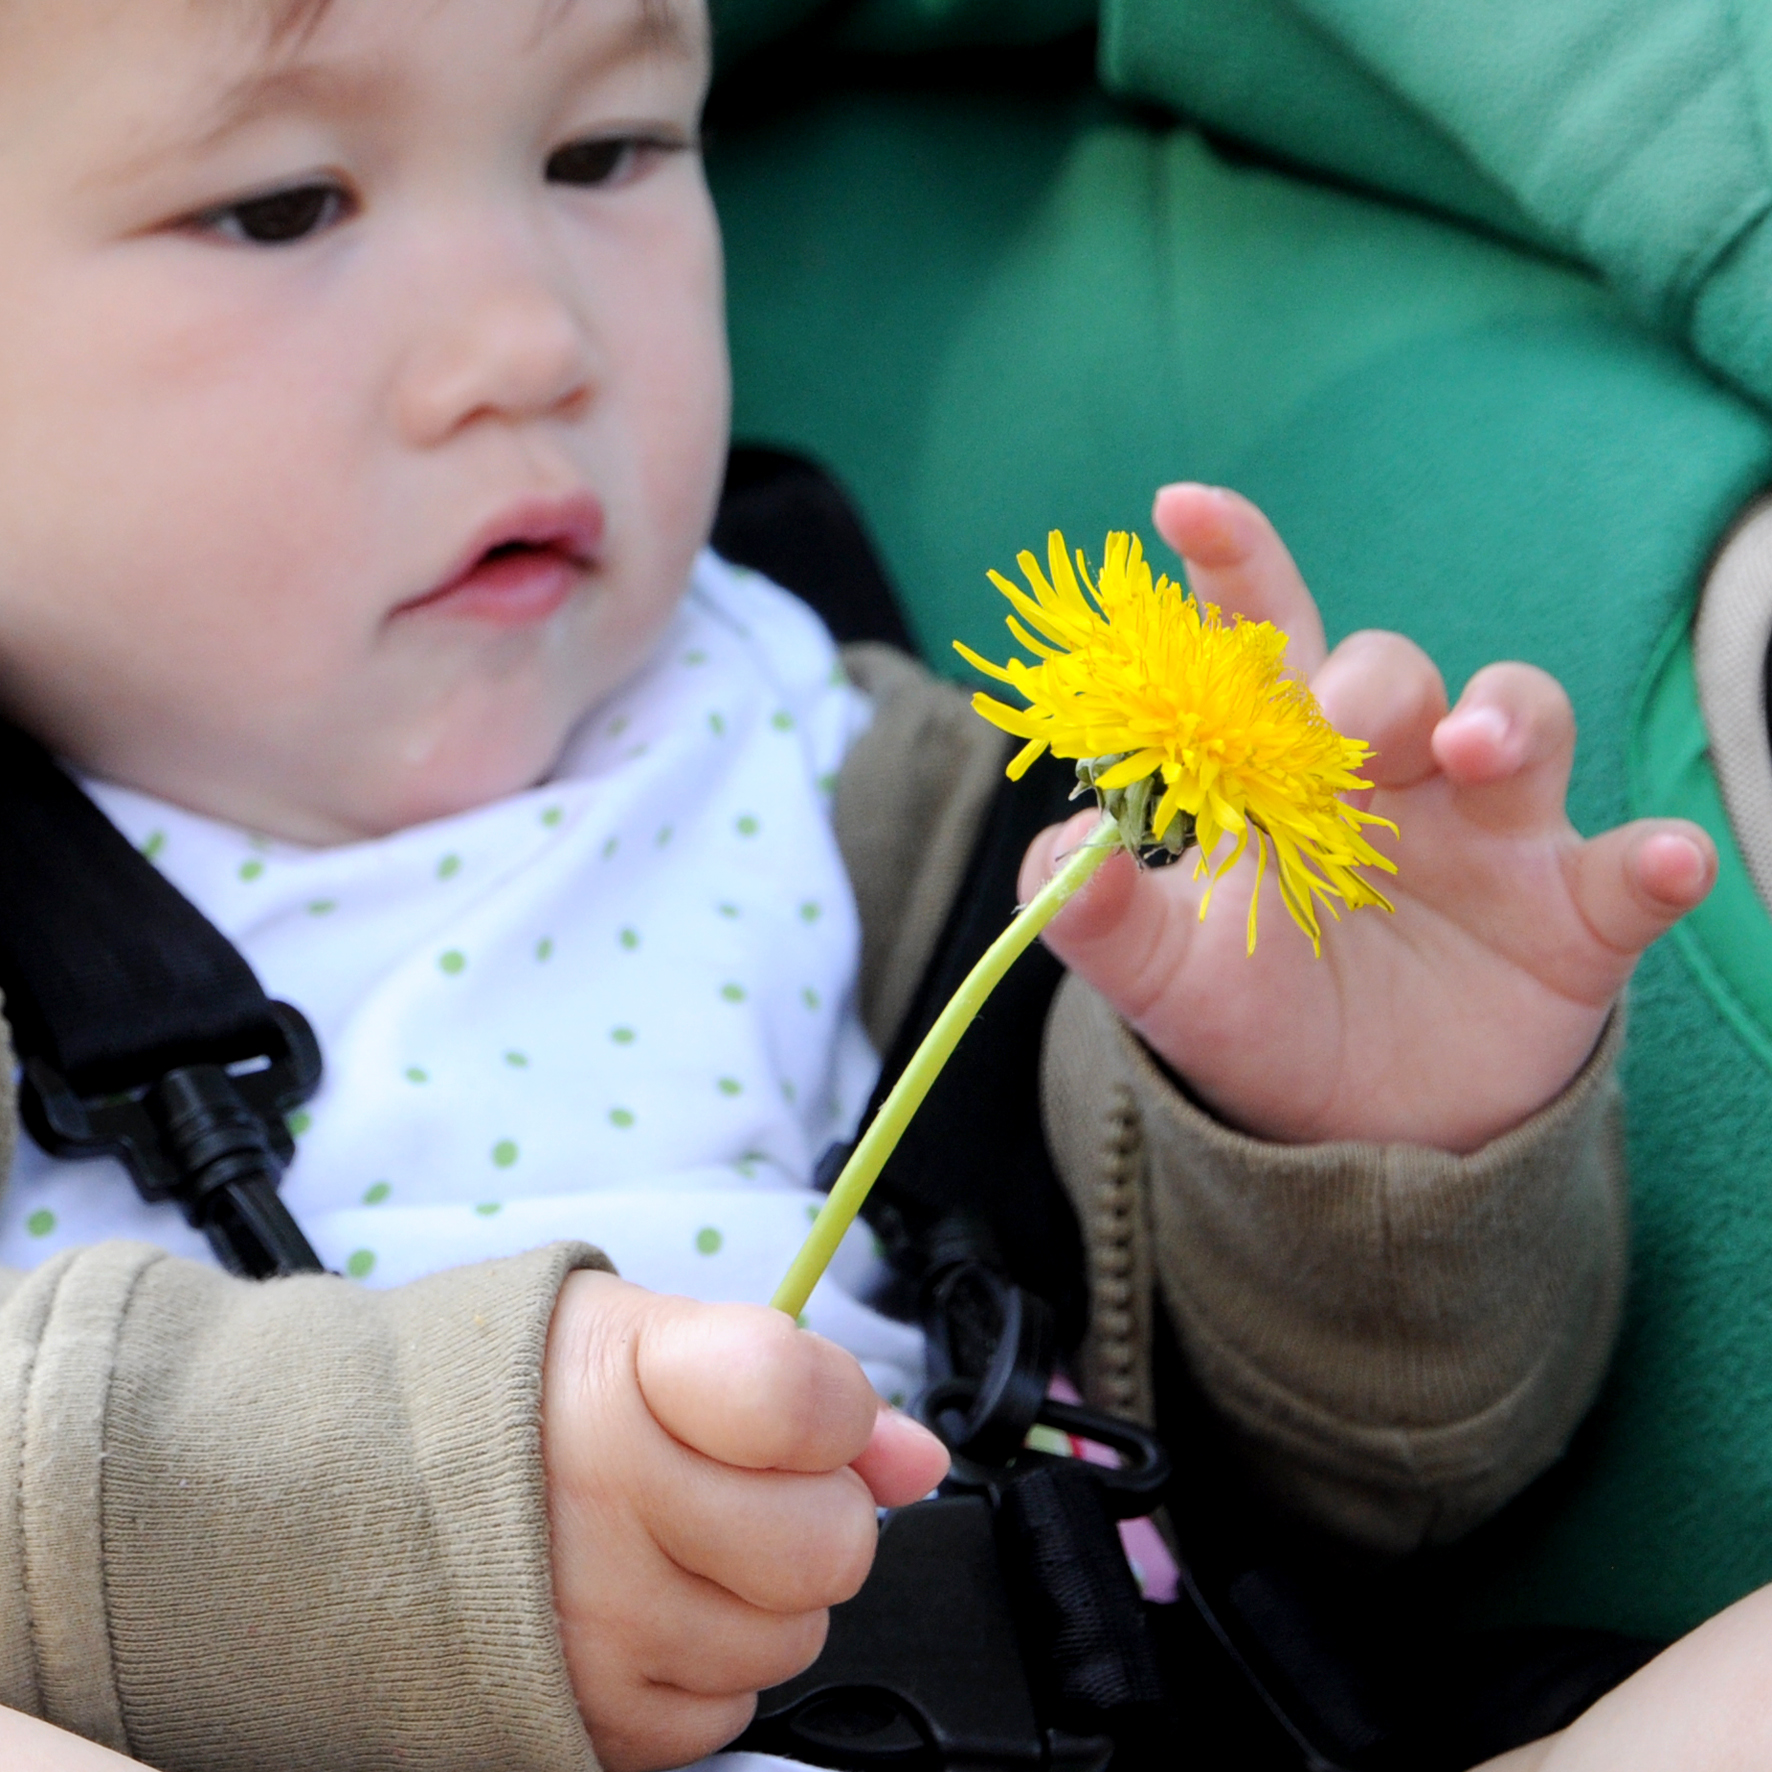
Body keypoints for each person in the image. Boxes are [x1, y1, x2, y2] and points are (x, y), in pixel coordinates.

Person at [0, 0, 1718, 1766]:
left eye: (607, 153)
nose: (530, 340)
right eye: (282, 206)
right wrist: (406, 1517)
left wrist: (1356, 1154)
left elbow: (1377, 1481)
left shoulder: (854, 778)